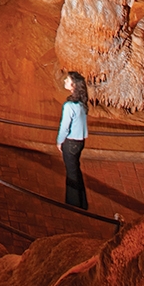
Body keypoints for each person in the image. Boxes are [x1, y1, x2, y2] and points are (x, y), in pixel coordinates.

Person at [56, 71, 89, 210]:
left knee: (71, 172)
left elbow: (64, 127)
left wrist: (59, 141)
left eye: (67, 80)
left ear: (74, 85)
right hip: (80, 142)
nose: (64, 81)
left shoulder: (69, 106)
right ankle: (81, 202)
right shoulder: (81, 103)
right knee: (75, 170)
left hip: (71, 143)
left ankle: (73, 204)